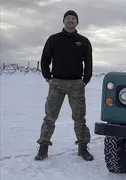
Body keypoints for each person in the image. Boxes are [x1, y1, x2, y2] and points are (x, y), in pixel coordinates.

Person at [35, 10, 93, 161]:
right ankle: (43, 146)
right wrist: (48, 78)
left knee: (80, 117)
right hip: (57, 84)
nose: (71, 20)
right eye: (68, 18)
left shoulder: (84, 41)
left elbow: (88, 63)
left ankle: (82, 147)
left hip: (76, 85)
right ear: (64, 21)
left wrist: (84, 80)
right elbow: (45, 59)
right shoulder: (53, 39)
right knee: (50, 117)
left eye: (73, 18)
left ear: (76, 22)